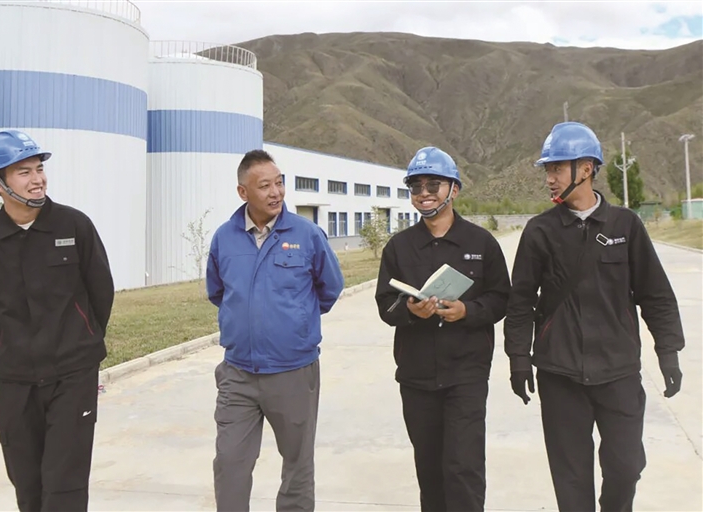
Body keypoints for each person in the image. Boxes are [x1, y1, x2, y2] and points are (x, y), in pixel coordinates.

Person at [504, 122, 685, 512]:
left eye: (557, 168)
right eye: (548, 170)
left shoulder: (626, 225)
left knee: (626, 468)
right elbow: (520, 302)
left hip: (618, 371)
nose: (549, 178)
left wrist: (668, 351)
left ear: (586, 169)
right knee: (571, 480)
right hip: (560, 374)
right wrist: (518, 358)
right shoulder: (539, 232)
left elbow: (655, 294)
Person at [0, 130, 114, 512]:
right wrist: (3, 351)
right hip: (15, 382)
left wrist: (82, 340)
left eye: (39, 169)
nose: (37, 179)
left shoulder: (74, 226)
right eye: (24, 172)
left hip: (73, 375)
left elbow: (101, 292)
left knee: (65, 485)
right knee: (27, 485)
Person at [206, 149, 344, 512]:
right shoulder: (224, 238)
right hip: (238, 373)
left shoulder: (307, 234)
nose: (276, 192)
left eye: (279, 183)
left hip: (293, 372)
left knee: (297, 466)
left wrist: (294, 323)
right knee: (229, 463)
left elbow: (330, 288)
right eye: (264, 185)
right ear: (243, 192)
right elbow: (218, 292)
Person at [374, 147, 510, 511]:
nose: (424, 193)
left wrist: (468, 310)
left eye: (433, 184)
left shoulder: (481, 244)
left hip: (466, 376)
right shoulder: (399, 247)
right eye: (416, 187)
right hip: (416, 378)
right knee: (430, 470)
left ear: (454, 189)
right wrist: (410, 311)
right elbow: (385, 305)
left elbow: (501, 299)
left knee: (464, 468)